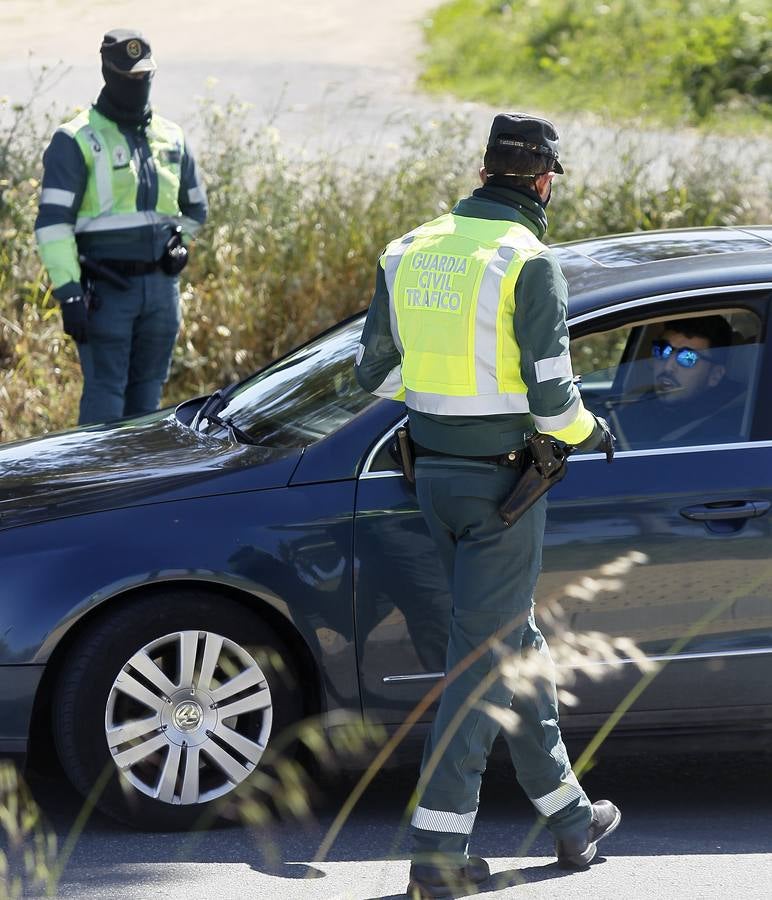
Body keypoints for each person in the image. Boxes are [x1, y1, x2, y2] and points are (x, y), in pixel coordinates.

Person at [356, 113, 620, 899]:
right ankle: (438, 853)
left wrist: (446, 404)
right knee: (480, 667)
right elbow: (553, 399)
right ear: (543, 181)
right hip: (505, 491)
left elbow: (375, 374)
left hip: (430, 480)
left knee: (512, 642)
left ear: (484, 172)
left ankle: (570, 818)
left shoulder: (408, 249)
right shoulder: (526, 261)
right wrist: (592, 430)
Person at [35, 29, 208, 425]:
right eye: (128, 76)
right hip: (106, 292)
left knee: (148, 401)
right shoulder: (76, 139)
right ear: (107, 73)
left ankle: (141, 487)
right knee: (105, 402)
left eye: (144, 76)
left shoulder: (171, 137)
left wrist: (179, 243)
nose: (137, 84)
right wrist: (70, 294)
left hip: (162, 291)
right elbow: (52, 225)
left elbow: (196, 207)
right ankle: (96, 487)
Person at [611, 316, 743, 448]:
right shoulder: (641, 407)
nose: (668, 366)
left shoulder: (728, 430)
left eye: (687, 357)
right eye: (663, 350)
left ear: (715, 375)